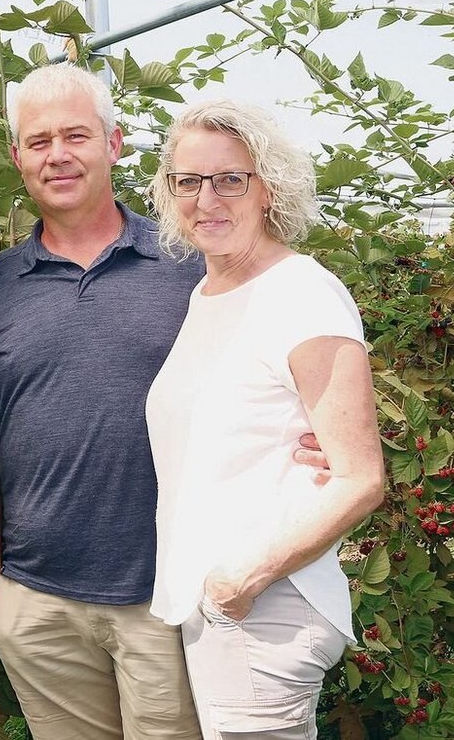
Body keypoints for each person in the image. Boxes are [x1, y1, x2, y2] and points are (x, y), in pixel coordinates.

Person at [0, 65, 326, 740]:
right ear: (16, 157)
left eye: (76, 135)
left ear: (115, 143)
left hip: (171, 598)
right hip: (37, 605)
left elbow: (277, 363)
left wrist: (313, 436)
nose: (57, 155)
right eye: (38, 142)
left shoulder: (189, 261)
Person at [144, 99, 385, 740]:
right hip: (223, 605)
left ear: (269, 186)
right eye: (188, 181)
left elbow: (361, 477)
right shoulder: (207, 293)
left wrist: (241, 581)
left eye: (230, 179)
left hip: (263, 602)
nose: (207, 198)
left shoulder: (300, 292)